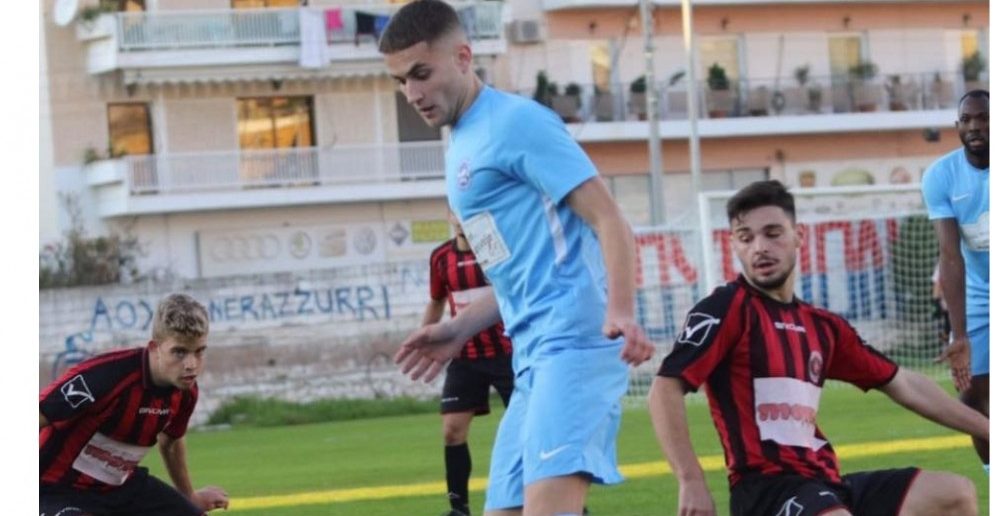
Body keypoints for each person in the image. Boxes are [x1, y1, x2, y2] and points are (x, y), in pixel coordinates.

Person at [379, 1, 655, 514]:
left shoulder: (517, 122)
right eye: (400, 81)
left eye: (421, 73)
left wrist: (620, 310)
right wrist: (460, 328)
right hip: (530, 359)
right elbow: (518, 274)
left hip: (572, 342)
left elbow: (609, 218)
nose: (412, 93)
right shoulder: (461, 144)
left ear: (463, 57)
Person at [648, 180, 989, 516]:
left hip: (825, 484)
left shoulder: (823, 327)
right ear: (734, 245)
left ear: (798, 236)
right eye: (746, 238)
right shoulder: (726, 308)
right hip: (766, 491)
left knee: (953, 494)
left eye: (773, 233)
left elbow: (903, 383)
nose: (760, 247)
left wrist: (989, 429)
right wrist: (690, 479)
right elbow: (664, 389)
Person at [40, 293, 229, 516]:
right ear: (154, 348)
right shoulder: (106, 376)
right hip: (53, 489)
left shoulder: (186, 393)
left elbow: (171, 442)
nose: (191, 364)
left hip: (121, 489)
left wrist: (190, 497)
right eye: (179, 352)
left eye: (199, 351)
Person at [424, 212, 515, 516]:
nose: (461, 218)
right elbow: (437, 300)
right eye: (456, 212)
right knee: (452, 430)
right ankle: (459, 509)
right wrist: (426, 337)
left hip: (507, 355)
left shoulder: (494, 251)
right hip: (465, 358)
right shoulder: (440, 257)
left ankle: (562, 500)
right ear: (449, 215)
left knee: (530, 427)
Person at [920, 89, 989, 470]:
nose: (975, 126)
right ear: (957, 125)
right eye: (967, 119)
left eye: (984, 118)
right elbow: (950, 255)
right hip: (979, 294)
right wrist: (958, 334)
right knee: (970, 398)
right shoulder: (940, 176)